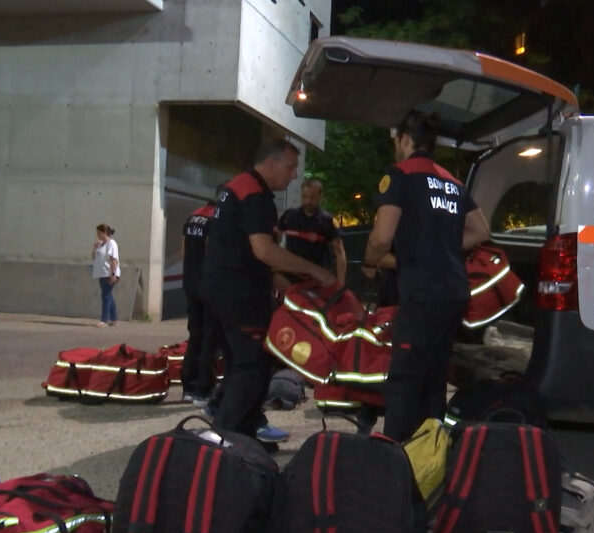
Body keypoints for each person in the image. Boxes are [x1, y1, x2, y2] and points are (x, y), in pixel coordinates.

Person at [361, 111, 490, 442]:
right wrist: (441, 244)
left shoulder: (400, 175)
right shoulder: (452, 181)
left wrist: (372, 259)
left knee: (404, 380)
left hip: (422, 294)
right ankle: (430, 458)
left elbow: (381, 238)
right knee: (433, 379)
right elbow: (481, 230)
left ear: (405, 139)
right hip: (454, 295)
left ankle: (395, 463)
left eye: (396, 141)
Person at [201, 138, 336, 443]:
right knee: (251, 369)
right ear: (272, 162)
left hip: (220, 290)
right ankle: (221, 441)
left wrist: (288, 288)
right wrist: (313, 269)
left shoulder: (236, 187)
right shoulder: (256, 196)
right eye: (290, 168)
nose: (293, 175)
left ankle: (244, 437)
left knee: (244, 367)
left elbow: (242, 250)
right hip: (240, 296)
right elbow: (263, 250)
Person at [180, 192, 228, 407]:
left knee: (195, 334)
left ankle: (187, 386)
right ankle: (203, 387)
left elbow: (184, 250)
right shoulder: (217, 218)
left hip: (190, 282)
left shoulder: (194, 216)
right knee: (211, 336)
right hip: (209, 285)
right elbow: (213, 253)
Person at [278, 178, 347, 285]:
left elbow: (339, 253)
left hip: (316, 279)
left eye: (312, 197)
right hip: (290, 277)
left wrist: (340, 284)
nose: (308, 201)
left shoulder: (327, 221)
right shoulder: (289, 216)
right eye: (304, 196)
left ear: (320, 197)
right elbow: (274, 242)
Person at [91, 224, 121, 328]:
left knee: (105, 296)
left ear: (104, 233)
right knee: (109, 296)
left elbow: (114, 260)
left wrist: (113, 274)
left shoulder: (111, 243)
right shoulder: (101, 245)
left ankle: (104, 320)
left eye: (99, 233)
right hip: (101, 273)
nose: (97, 235)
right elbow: (94, 258)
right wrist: (95, 248)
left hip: (109, 273)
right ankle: (114, 319)